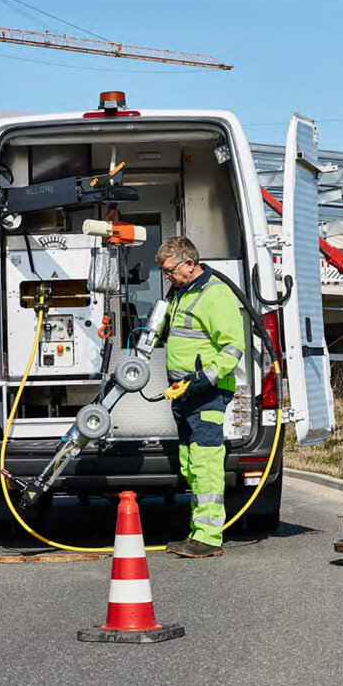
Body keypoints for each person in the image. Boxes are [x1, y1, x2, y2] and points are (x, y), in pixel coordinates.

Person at [155, 237, 244, 558]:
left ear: (189, 264)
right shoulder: (182, 293)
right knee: (191, 463)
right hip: (185, 392)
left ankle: (208, 537)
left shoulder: (215, 294)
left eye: (169, 271)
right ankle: (199, 530)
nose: (167, 277)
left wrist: (201, 380)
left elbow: (233, 348)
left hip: (206, 393)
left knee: (206, 462)